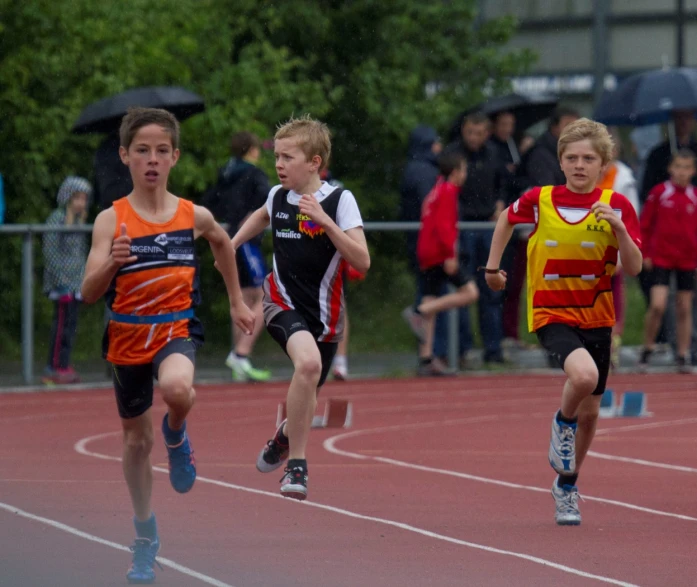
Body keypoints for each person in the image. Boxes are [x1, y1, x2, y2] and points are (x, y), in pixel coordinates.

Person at [80, 107, 254, 584]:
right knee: (136, 442)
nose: (152, 160)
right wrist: (112, 263)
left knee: (179, 390)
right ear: (125, 156)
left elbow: (222, 243)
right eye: (142, 151)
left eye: (161, 151)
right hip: (126, 338)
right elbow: (88, 292)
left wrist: (237, 301)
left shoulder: (192, 215)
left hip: (176, 328)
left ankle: (176, 432)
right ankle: (145, 535)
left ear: (174, 157)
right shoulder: (109, 221)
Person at [484, 118, 642, 526]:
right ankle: (562, 421)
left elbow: (635, 267)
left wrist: (621, 230)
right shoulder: (541, 199)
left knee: (592, 413)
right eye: (571, 158)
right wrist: (492, 267)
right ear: (561, 161)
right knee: (584, 377)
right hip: (551, 314)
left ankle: (567, 486)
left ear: (603, 163)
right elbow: (505, 219)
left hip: (597, 317)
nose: (579, 165)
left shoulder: (616, 206)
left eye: (588, 158)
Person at [231, 115, 369, 500]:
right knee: (306, 365)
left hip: (325, 318)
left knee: (308, 391)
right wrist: (233, 243)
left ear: (314, 162)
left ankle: (283, 437)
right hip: (281, 301)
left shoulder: (340, 201)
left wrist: (325, 222)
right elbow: (261, 216)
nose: (278, 165)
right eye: (276, 156)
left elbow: (362, 261)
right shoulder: (277, 196)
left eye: (288, 157)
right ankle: (297, 467)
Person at [203, 131, 273, 382]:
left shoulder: (226, 172)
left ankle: (238, 359)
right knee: (268, 294)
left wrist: (221, 225)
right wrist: (250, 219)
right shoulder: (254, 174)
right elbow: (269, 199)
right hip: (246, 242)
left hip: (230, 238)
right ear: (251, 149)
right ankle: (241, 354)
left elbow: (210, 201)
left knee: (243, 297)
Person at [402, 151, 479, 375]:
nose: (465, 174)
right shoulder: (448, 191)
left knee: (431, 298)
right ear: (455, 172)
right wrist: (450, 254)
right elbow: (445, 226)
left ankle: (426, 359)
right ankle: (417, 310)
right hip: (438, 253)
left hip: (426, 251)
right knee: (470, 292)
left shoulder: (437, 188)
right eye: (463, 170)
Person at [445, 111, 507, 366]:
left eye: (479, 133)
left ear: (487, 133)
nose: (473, 137)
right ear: (463, 131)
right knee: (463, 288)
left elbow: (504, 183)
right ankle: (461, 349)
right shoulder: (452, 154)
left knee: (491, 288)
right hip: (462, 226)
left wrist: (501, 204)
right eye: (470, 132)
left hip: (488, 226)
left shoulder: (495, 153)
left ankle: (493, 349)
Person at [638, 149, 697, 373]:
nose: (682, 172)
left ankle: (683, 354)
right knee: (658, 305)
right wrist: (645, 253)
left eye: (687, 167)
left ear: (693, 171)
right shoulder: (659, 193)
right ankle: (647, 349)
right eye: (678, 167)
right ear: (670, 169)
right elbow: (645, 224)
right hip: (661, 256)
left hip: (687, 259)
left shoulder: (694, 196)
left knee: (684, 307)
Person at [41, 176, 92, 385]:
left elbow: (80, 254)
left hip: (76, 284)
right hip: (61, 285)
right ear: (68, 198)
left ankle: (64, 363)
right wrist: (61, 282)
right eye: (77, 198)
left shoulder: (80, 222)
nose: (80, 203)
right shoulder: (57, 219)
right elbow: (51, 252)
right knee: (61, 326)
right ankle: (54, 367)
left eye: (84, 199)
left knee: (70, 327)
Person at [597, 129, 640, 369]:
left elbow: (632, 213)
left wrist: (625, 250)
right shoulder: (587, 175)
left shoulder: (623, 177)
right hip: (589, 248)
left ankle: (612, 344)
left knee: (613, 297)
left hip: (613, 246)